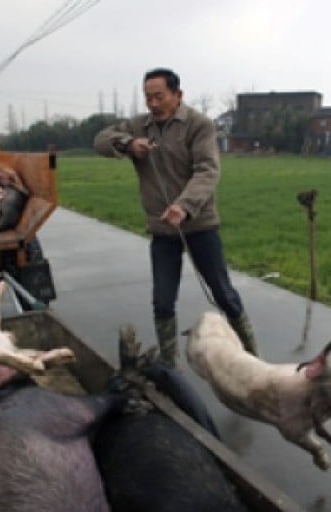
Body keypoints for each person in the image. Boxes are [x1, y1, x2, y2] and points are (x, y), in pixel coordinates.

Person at [94, 67, 256, 368]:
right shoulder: (139, 126)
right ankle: (171, 368)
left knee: (223, 293)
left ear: (177, 95)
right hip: (162, 228)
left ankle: (251, 357)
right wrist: (129, 144)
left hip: (199, 224)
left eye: (159, 96)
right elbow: (101, 140)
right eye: (147, 97)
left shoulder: (199, 125)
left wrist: (184, 205)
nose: (152, 104)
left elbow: (208, 170)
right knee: (162, 301)